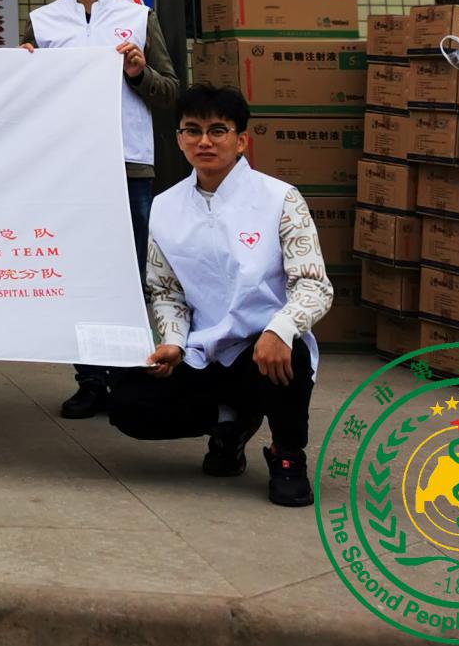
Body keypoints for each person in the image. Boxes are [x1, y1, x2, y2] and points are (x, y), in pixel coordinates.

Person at [108, 84, 332, 509]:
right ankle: (229, 424)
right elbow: (166, 290)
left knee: (292, 356)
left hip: (261, 350)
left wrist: (281, 328)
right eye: (192, 130)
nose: (204, 141)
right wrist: (173, 342)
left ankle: (287, 455)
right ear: (179, 139)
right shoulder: (165, 207)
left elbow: (313, 284)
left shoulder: (280, 199)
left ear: (241, 140)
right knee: (125, 400)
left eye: (217, 130)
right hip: (202, 354)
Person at [22, 0, 180, 420]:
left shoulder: (139, 18)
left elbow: (170, 91)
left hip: (129, 165)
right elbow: (22, 100)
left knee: (133, 275)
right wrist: (21, 70)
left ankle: (131, 376)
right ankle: (89, 379)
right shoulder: (42, 23)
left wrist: (138, 72)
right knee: (79, 275)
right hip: (67, 170)